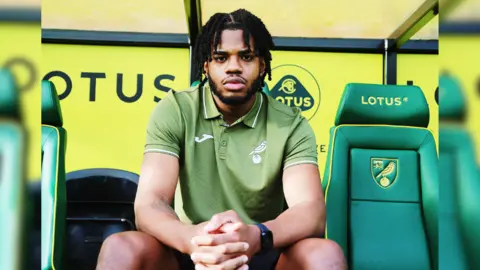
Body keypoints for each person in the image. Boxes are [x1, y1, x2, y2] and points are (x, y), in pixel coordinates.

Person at [96, 8, 346, 270]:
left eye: (246, 57)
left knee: (324, 254)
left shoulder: (291, 123)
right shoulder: (176, 109)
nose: (234, 66)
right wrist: (193, 239)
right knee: (120, 248)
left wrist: (255, 236)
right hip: (192, 249)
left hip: (262, 249)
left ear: (262, 65)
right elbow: (150, 203)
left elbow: (310, 210)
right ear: (206, 65)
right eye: (221, 57)